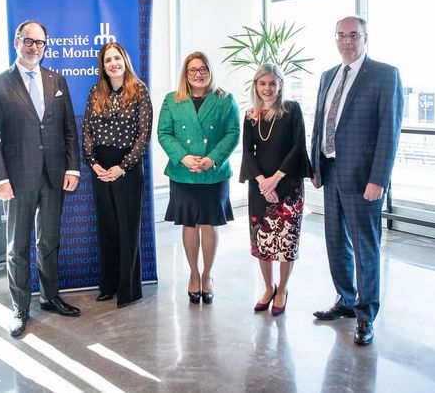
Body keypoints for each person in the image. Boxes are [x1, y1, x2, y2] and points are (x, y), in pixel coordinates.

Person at [0, 20, 82, 338]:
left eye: (40, 43)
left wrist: (73, 167)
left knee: (49, 241)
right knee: (17, 247)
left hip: (54, 176)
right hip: (17, 178)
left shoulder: (57, 80)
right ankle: (20, 308)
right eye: (29, 41)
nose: (34, 47)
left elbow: (68, 128)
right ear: (17, 42)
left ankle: (50, 297)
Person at [310, 16, 403, 346]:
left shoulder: (384, 75)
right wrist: (315, 167)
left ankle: (366, 316)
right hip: (331, 172)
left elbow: (389, 132)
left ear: (365, 38)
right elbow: (320, 123)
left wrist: (378, 179)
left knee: (365, 247)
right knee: (335, 242)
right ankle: (345, 301)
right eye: (341, 35)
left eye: (353, 35)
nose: (346, 41)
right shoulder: (328, 76)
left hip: (364, 178)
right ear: (335, 39)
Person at [157, 51, 239, 304]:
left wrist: (212, 158)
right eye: (192, 70)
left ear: (210, 71)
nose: (198, 74)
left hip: (214, 172)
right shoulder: (172, 100)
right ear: (186, 73)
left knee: (209, 224)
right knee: (190, 224)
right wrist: (184, 158)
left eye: (203, 68)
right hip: (184, 173)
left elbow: (233, 132)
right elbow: (164, 133)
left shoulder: (225, 99)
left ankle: (208, 275)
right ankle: (193, 274)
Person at [82, 42, 153, 309]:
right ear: (102, 65)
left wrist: (123, 166)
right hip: (101, 168)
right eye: (108, 60)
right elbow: (87, 130)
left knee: (127, 228)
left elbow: (143, 136)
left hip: (128, 168)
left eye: (117, 58)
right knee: (108, 228)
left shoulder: (139, 91)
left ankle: (128, 289)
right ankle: (108, 285)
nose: (113, 63)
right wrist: (92, 163)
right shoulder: (95, 91)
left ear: (125, 60)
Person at [239, 63, 312, 316]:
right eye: (262, 83)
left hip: (288, 185)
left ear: (280, 84)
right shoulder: (250, 115)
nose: (267, 88)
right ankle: (268, 287)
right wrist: (262, 181)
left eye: (272, 83)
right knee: (262, 240)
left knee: (286, 242)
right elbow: (248, 152)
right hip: (259, 187)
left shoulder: (292, 110)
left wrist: (275, 179)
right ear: (256, 86)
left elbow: (298, 147)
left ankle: (282, 290)